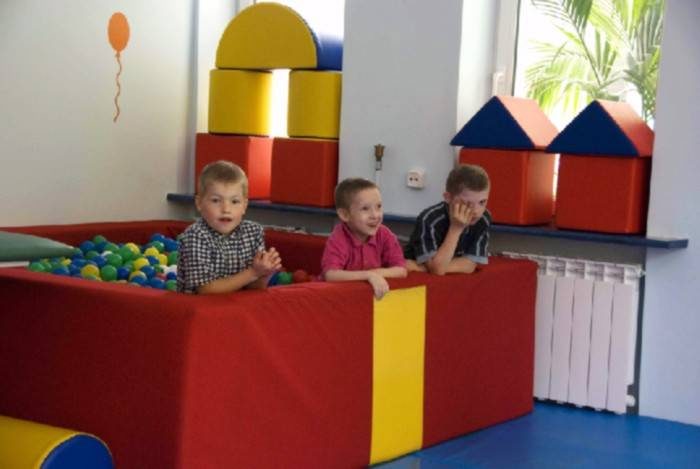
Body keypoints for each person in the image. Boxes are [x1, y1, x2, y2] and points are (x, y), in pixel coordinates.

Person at [177, 160, 281, 294]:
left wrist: (264, 272)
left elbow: (253, 289)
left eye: (234, 201)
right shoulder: (196, 235)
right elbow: (206, 290)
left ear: (244, 206)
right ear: (199, 203)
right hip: (200, 306)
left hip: (239, 306)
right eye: (216, 200)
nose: (226, 209)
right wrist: (253, 272)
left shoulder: (253, 232)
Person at [321, 178, 407, 299]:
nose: (375, 215)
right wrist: (368, 276)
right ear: (345, 215)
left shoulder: (385, 235)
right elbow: (331, 275)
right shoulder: (338, 238)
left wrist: (375, 274)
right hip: (337, 299)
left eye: (378, 206)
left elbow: (401, 270)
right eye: (365, 209)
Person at [404, 164, 491, 275]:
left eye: (482, 202)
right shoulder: (429, 219)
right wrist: (456, 228)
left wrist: (423, 269)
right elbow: (437, 270)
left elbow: (469, 266)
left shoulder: (483, 218)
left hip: (426, 267)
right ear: (448, 198)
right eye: (467, 203)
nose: (476, 211)